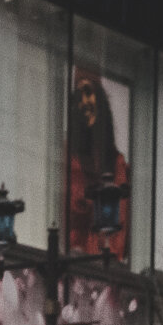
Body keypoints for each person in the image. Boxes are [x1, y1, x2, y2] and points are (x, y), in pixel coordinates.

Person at [67, 69, 130, 261]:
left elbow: (122, 223)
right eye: (78, 97)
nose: (84, 102)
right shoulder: (68, 160)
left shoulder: (117, 164)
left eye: (88, 93)